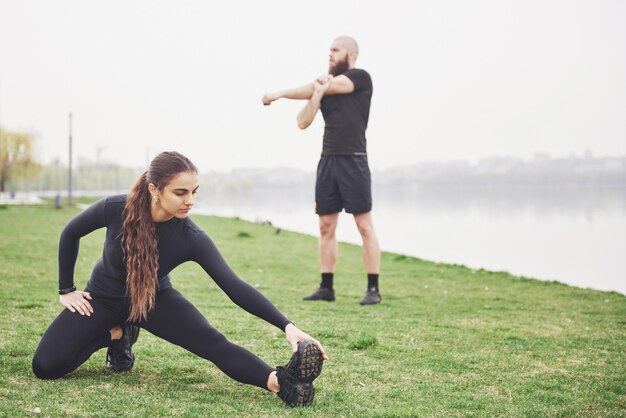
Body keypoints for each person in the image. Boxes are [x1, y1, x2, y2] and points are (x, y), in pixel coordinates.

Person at [32, 151, 327, 408]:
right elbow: (71, 232)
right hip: (103, 298)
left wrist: (287, 326)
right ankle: (120, 335)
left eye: (194, 192)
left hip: (153, 300)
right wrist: (67, 289)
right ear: (154, 189)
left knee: (213, 343)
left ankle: (281, 383)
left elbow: (233, 286)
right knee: (46, 365)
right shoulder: (116, 208)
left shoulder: (191, 237)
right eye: (181, 192)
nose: (191, 201)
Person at [262, 36, 381, 305]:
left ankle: (373, 289)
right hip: (328, 162)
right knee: (326, 225)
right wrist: (313, 94)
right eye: (328, 50)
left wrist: (283, 93)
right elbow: (302, 122)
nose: (329, 54)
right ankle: (326, 287)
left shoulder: (360, 78)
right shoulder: (324, 87)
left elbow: (329, 85)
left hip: (354, 160)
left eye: (335, 50)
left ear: (350, 53)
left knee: (364, 226)